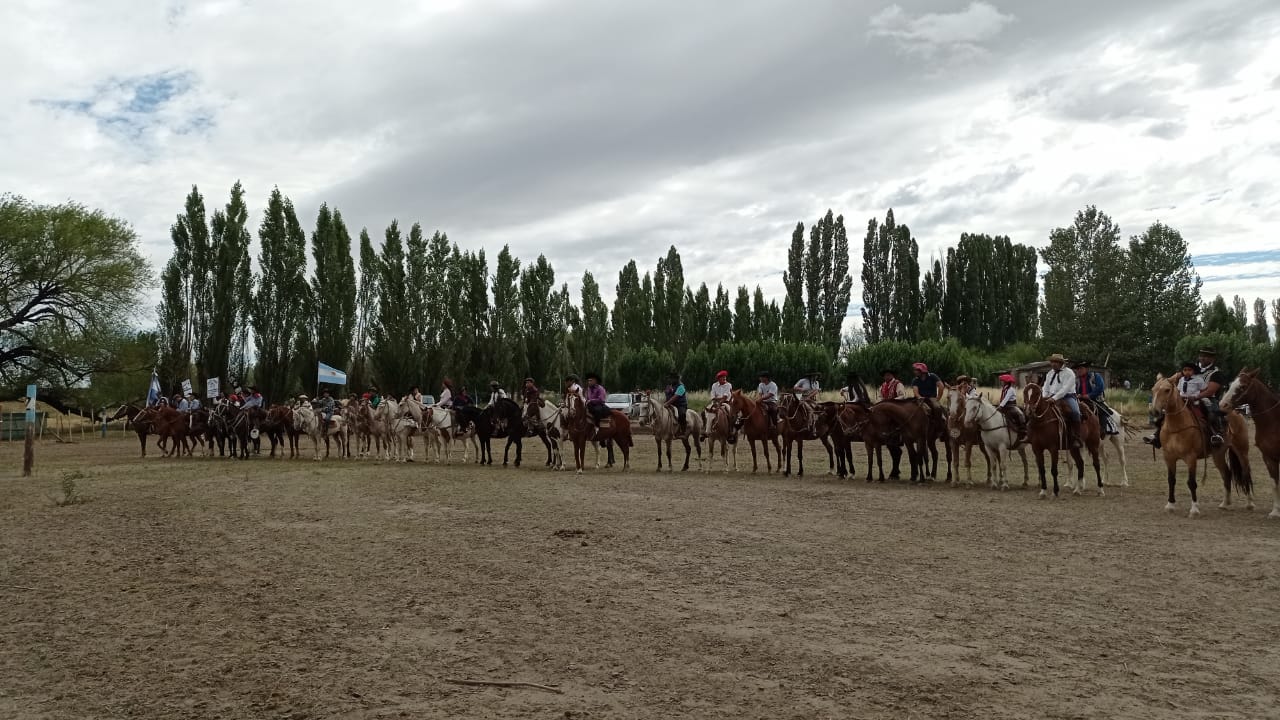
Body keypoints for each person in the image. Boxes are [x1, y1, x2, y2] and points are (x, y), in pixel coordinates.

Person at [1042, 353, 1081, 448]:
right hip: (1050, 397)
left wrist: (1054, 398)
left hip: (1067, 396)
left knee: (1075, 412)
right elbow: (1045, 387)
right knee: (1036, 410)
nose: (1053, 364)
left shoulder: (1069, 373)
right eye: (1052, 362)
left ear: (1060, 363)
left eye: (1055, 362)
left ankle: (1076, 437)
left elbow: (1065, 389)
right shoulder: (1049, 373)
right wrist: (1044, 397)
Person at [1073, 360, 1115, 435]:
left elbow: (1100, 387)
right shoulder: (1076, 380)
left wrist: (1089, 395)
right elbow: (1074, 389)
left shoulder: (1095, 376)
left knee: (1102, 411)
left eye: (1081, 368)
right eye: (1077, 369)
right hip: (1081, 399)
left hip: (1095, 399)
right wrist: (1077, 394)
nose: (1078, 370)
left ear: (1086, 369)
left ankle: (1103, 429)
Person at [1195, 347, 1227, 446]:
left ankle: (1217, 433)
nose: (1202, 358)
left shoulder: (1217, 373)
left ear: (1212, 359)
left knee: (1212, 414)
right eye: (1201, 356)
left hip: (1209, 399)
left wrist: (1196, 396)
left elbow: (1210, 391)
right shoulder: (1191, 369)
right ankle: (1158, 433)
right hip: (1187, 396)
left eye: (1205, 356)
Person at [996, 373, 1027, 442]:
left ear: (1006, 382)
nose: (1001, 382)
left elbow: (1006, 398)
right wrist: (999, 405)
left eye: (1002, 381)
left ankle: (1024, 430)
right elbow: (1003, 399)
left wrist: (1000, 406)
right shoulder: (1004, 389)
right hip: (1005, 406)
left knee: (1020, 414)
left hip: (1011, 406)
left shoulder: (1011, 390)